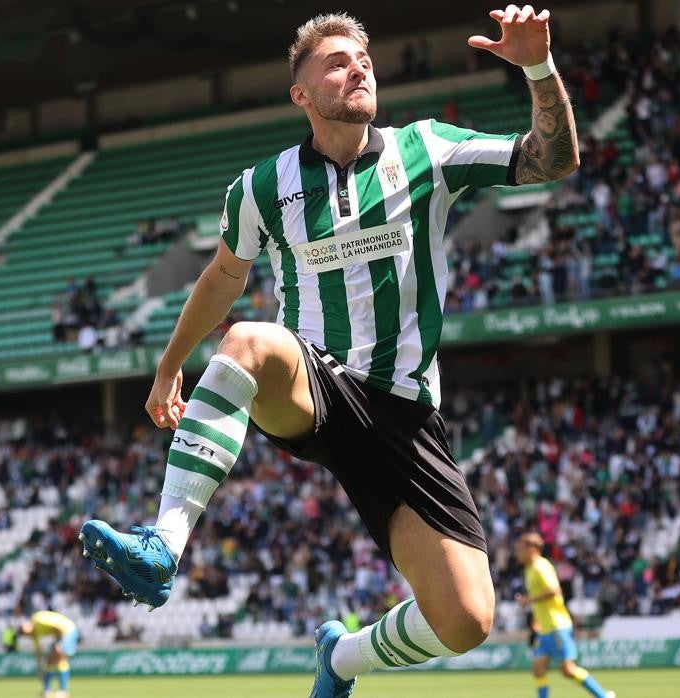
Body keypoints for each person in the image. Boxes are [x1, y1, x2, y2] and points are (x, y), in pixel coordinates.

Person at [79, 5, 578, 697]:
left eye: (364, 60)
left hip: (404, 416)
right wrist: (168, 367)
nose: (358, 69)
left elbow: (552, 158)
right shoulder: (260, 187)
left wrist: (537, 66)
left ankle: (341, 660)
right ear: (301, 94)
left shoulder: (425, 151)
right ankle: (164, 544)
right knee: (250, 339)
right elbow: (225, 276)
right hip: (315, 382)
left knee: (466, 621)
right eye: (337, 63)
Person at [515, 533, 615, 698]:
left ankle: (603, 696)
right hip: (545, 628)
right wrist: (536, 618)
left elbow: (554, 590)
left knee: (568, 670)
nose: (517, 553)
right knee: (538, 669)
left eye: (520, 549)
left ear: (531, 549)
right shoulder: (529, 569)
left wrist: (528, 600)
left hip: (557, 626)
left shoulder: (541, 566)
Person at [20, 610, 79, 698]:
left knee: (60, 656)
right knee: (50, 661)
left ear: (27, 625)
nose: (28, 635)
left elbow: (57, 626)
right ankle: (47, 690)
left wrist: (58, 643)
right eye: (26, 635)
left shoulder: (38, 619)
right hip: (60, 635)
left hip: (68, 630)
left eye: (26, 632)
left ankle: (64, 691)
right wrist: (40, 670)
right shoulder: (34, 634)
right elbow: (38, 652)